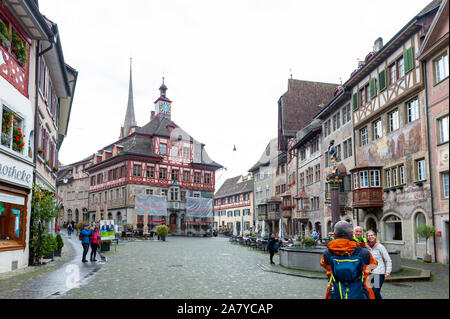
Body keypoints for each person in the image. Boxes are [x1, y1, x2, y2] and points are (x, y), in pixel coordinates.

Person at [320, 220, 377, 299]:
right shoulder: (364, 252)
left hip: (337, 293)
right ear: (351, 234)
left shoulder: (327, 253)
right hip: (360, 292)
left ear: (334, 235)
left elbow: (324, 264)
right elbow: (373, 265)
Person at [366, 230, 392, 299]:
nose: (370, 237)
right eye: (369, 235)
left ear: (375, 236)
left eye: (372, 235)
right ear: (367, 237)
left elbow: (388, 260)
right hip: (369, 273)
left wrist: (388, 271)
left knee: (375, 292)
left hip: (378, 273)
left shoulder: (380, 247)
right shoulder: (366, 247)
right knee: (370, 293)